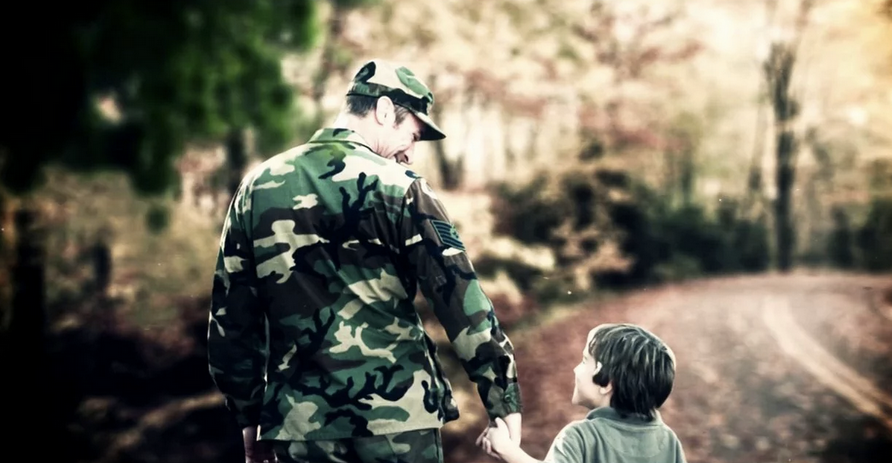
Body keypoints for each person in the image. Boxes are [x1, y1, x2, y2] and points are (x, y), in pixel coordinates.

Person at [207, 58, 523, 463]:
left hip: (300, 428)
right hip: (398, 426)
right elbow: (463, 304)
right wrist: (504, 400)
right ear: (385, 110)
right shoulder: (402, 189)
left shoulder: (258, 186)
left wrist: (249, 419)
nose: (410, 152)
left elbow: (231, 318)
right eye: (413, 135)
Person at [479, 323, 685, 463]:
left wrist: (506, 448)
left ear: (606, 383)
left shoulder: (580, 437)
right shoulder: (668, 440)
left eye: (585, 361)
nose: (575, 369)